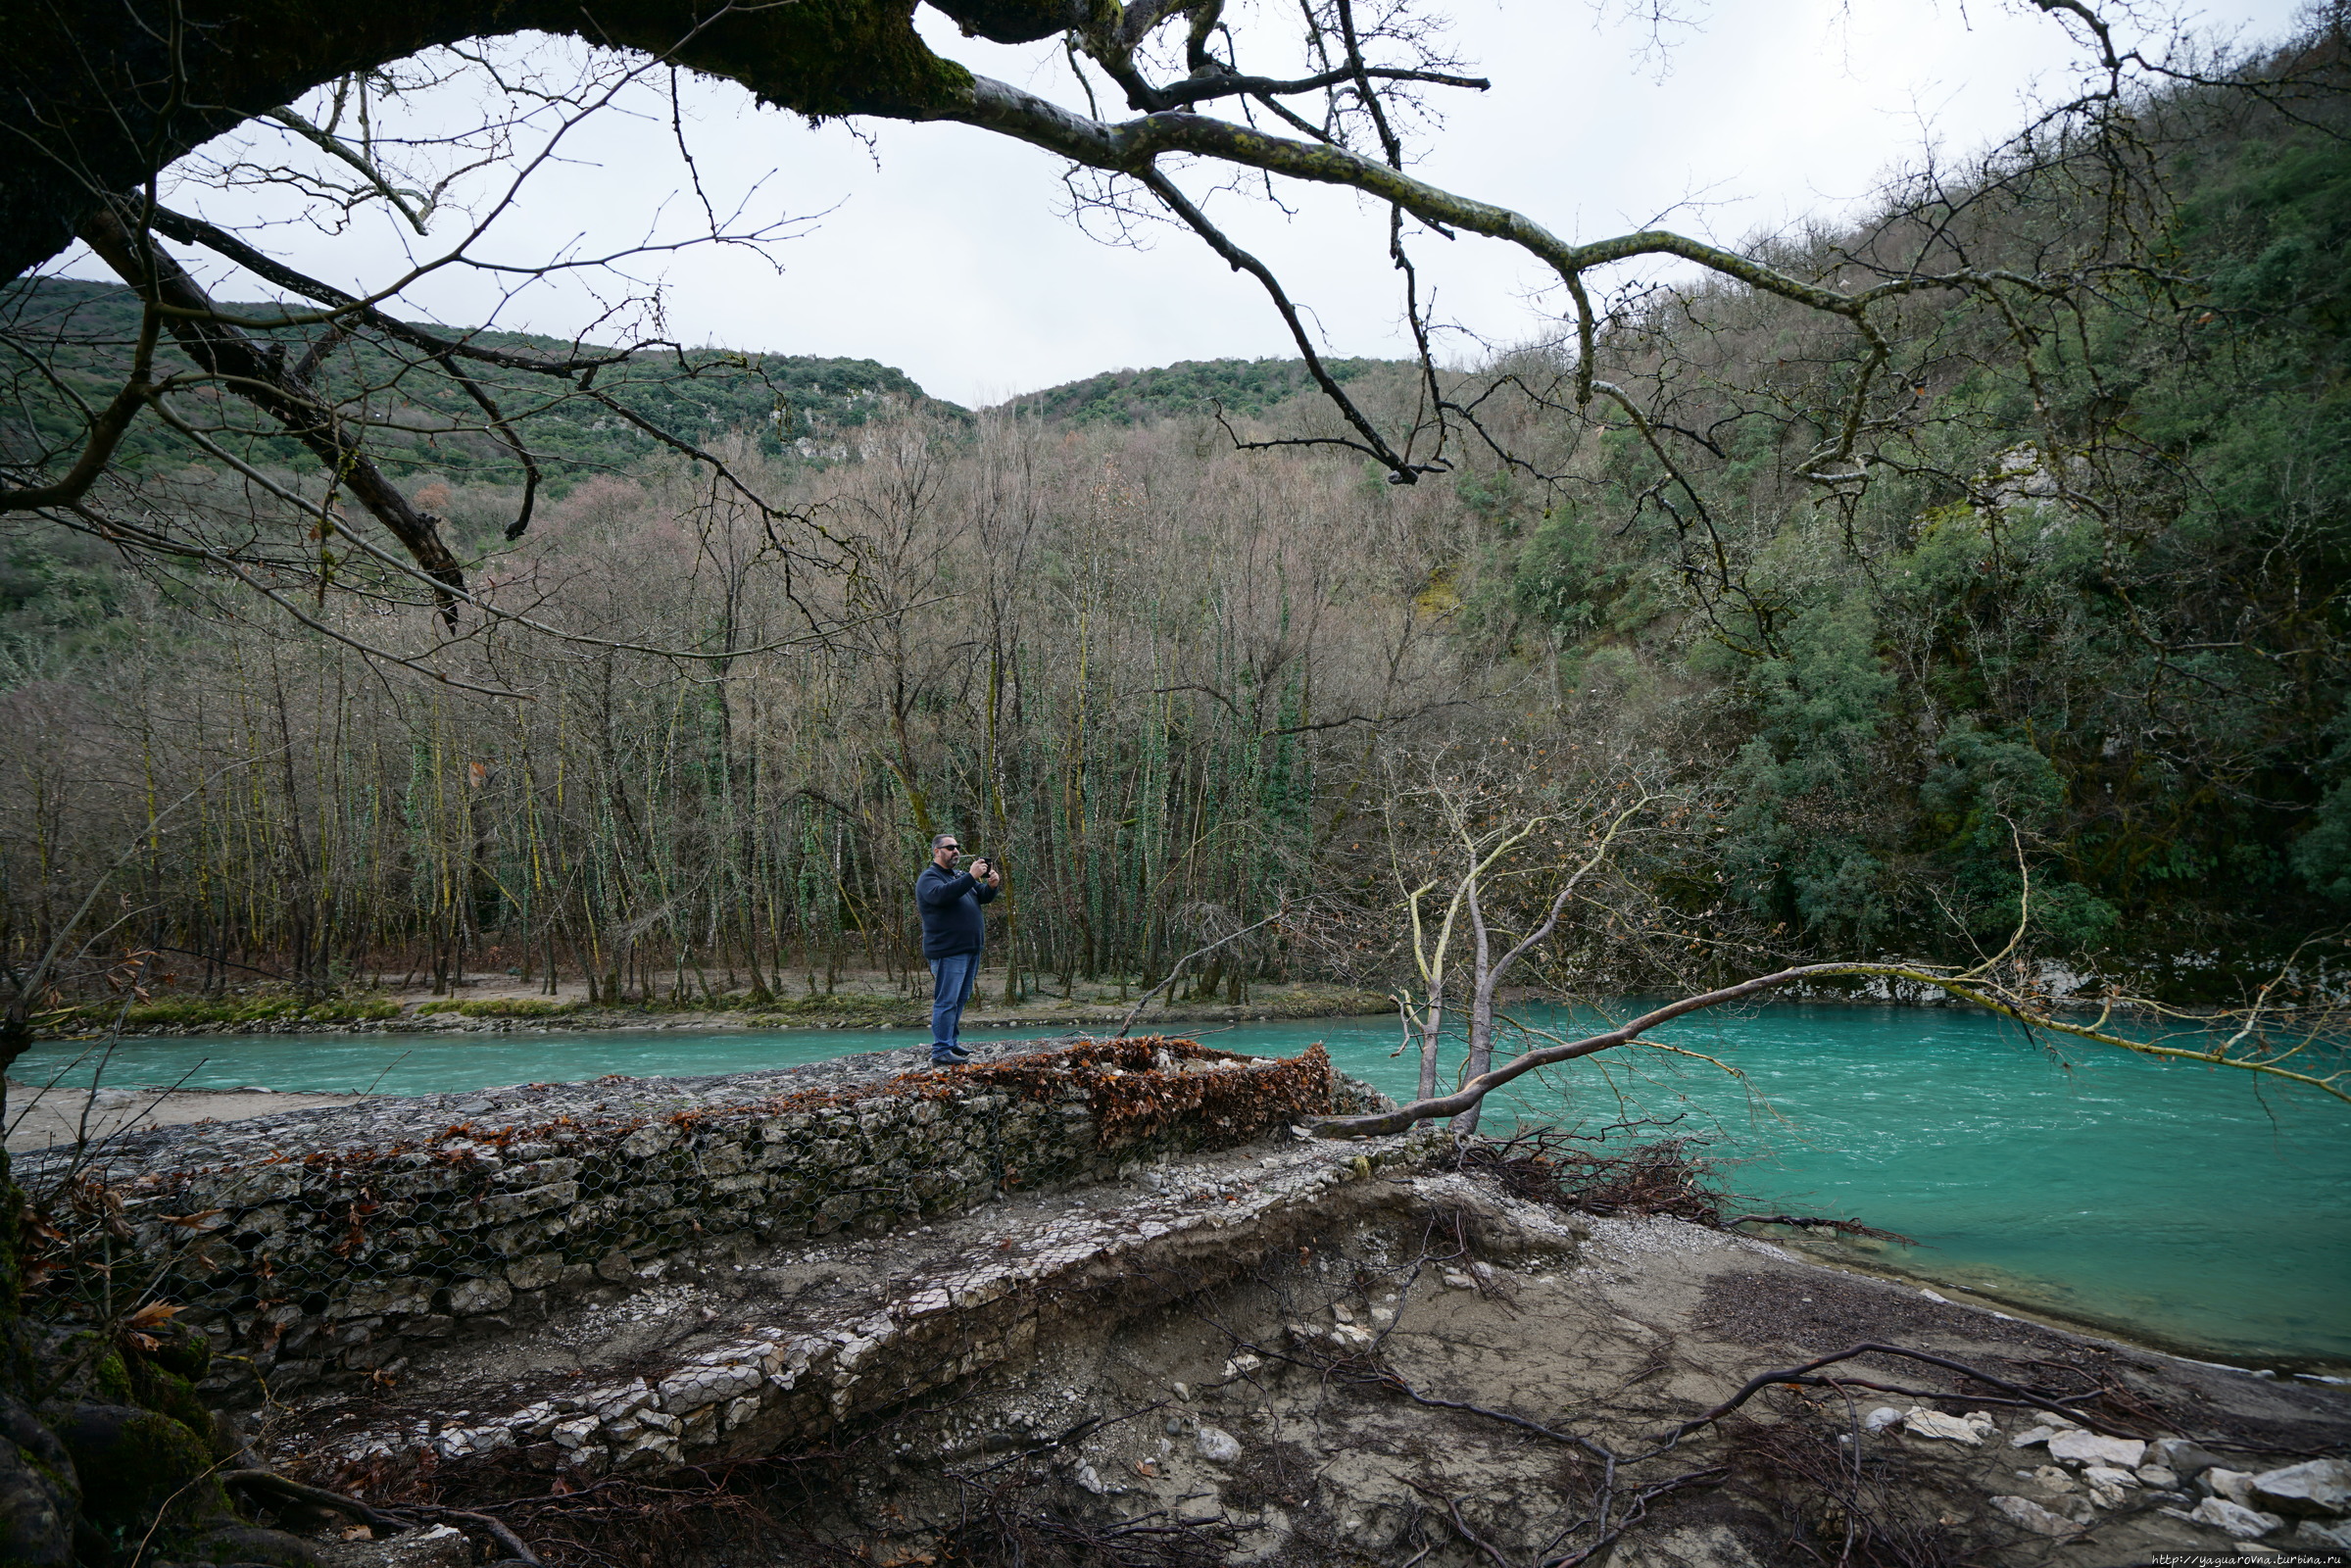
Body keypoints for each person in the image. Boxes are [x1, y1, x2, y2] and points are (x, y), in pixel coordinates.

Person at [914, 832, 1000, 1065]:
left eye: (957, 847)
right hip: (947, 951)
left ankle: (950, 1043)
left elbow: (980, 896)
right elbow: (943, 896)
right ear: (937, 851)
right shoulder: (929, 878)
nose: (956, 851)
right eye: (950, 847)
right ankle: (940, 1050)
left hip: (970, 949)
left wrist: (991, 886)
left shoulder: (959, 876)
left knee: (961, 998)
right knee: (946, 1000)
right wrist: (971, 877)